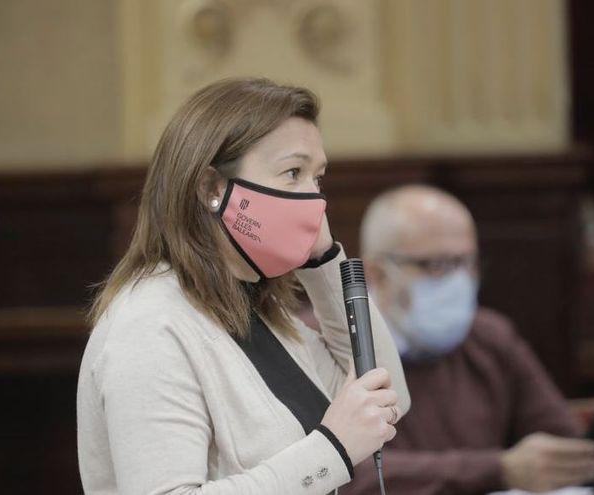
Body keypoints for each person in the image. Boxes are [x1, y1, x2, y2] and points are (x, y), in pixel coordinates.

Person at [76, 78, 410, 495]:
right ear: (212, 188)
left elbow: (386, 393)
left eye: (317, 178)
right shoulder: (149, 325)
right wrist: (333, 450)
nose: (315, 201)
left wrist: (323, 262)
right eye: (293, 173)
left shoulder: (259, 310)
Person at [341, 184, 594, 495]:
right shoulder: (331, 344)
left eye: (467, 262)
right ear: (377, 274)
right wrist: (498, 469)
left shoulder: (490, 336)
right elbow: (344, 477)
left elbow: (563, 438)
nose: (458, 280)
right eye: (436, 265)